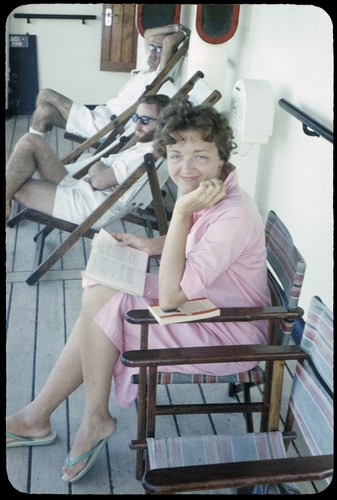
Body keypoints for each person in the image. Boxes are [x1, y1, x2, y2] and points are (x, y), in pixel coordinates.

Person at [6, 97, 271, 483]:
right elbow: (196, 239)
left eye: (200, 155)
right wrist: (153, 244)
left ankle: (84, 418)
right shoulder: (209, 187)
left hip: (228, 330)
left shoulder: (228, 210)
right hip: (204, 306)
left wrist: (180, 213)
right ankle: (40, 417)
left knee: (103, 299)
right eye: (176, 155)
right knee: (101, 285)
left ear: (221, 155)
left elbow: (172, 298)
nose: (186, 167)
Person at [5, 94, 171, 225]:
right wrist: (100, 170)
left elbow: (98, 181)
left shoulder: (145, 156)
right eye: (136, 118)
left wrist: (100, 171)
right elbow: (100, 169)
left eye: (144, 120)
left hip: (91, 207)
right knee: (30, 141)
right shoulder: (143, 144)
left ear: (163, 123)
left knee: (16, 185)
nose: (137, 125)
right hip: (83, 187)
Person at [28, 24, 188, 140]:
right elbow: (148, 34)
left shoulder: (159, 76)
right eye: (152, 48)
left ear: (167, 55)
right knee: (44, 112)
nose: (152, 52)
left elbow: (169, 42)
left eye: (158, 49)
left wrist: (184, 34)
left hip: (107, 126)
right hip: (102, 114)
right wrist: (177, 26)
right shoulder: (146, 69)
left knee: (45, 94)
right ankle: (34, 154)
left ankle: (32, 151)